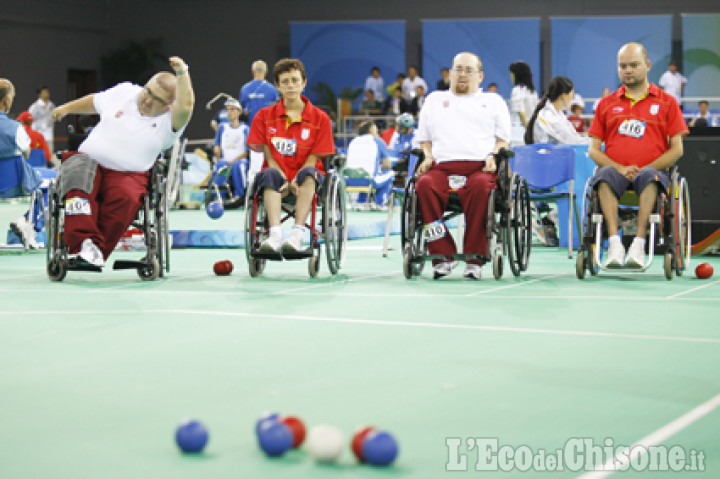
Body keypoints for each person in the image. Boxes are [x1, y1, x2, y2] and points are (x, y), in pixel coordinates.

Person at [50, 56, 195, 268]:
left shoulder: (170, 122)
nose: (147, 100)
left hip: (129, 174)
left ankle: (94, 252)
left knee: (126, 197)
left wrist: (182, 72)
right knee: (76, 180)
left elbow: (187, 104)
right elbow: (96, 101)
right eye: (148, 91)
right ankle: (83, 244)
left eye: (157, 100)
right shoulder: (125, 91)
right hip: (88, 161)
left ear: (169, 106)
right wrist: (66, 109)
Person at [588, 42, 688, 268]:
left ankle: (639, 244)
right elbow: (594, 149)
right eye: (623, 66)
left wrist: (645, 168)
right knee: (603, 176)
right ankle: (614, 244)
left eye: (634, 65)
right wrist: (620, 168)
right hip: (617, 172)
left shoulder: (667, 102)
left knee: (651, 177)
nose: (628, 70)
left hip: (651, 173)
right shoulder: (606, 104)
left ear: (648, 65)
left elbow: (677, 149)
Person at [415, 51, 511, 280]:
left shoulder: (493, 102)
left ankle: (474, 258)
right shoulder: (434, 100)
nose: (463, 75)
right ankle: (441, 255)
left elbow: (502, 141)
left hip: (480, 168)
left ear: (480, 76)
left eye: (469, 70)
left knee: (481, 188)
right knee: (423, 186)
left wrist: (493, 156)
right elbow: (425, 140)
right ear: (450, 73)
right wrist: (427, 156)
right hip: (441, 167)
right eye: (458, 69)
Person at [246, 58, 335, 254]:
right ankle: (275, 235)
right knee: (269, 174)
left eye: (295, 80)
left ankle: (297, 234)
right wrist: (284, 179)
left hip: (306, 177)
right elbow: (268, 156)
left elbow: (314, 158)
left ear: (304, 83)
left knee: (311, 174)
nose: (290, 85)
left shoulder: (320, 118)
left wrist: (295, 179)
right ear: (277, 86)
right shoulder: (263, 116)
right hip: (277, 175)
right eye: (285, 81)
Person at [1, 79, 42, 249]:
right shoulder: (15, 127)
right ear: (7, 101)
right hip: (13, 186)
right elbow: (26, 152)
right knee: (48, 185)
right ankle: (27, 222)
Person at [240, 60, 280, 180]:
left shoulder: (245, 89)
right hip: (271, 133)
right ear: (266, 72)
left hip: (252, 134)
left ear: (252, 71)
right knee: (272, 164)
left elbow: (243, 111)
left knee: (254, 167)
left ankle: (251, 192)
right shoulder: (273, 90)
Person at [525, 76, 591, 145]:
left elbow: (573, 135)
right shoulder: (548, 115)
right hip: (545, 154)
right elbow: (570, 140)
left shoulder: (559, 114)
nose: (572, 98)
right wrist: (595, 142)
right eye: (572, 95)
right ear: (563, 95)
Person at [345, 120, 395, 208]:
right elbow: (388, 165)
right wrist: (379, 168)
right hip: (370, 181)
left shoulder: (352, 142)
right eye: (376, 129)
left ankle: (360, 201)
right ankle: (380, 203)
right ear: (371, 130)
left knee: (364, 172)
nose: (378, 132)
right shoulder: (378, 141)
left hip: (349, 180)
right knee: (390, 173)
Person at [212, 98, 249, 201]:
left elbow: (248, 151)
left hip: (240, 160)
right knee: (220, 166)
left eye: (233, 109)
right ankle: (219, 196)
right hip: (225, 160)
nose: (229, 112)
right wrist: (217, 151)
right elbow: (217, 144)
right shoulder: (222, 128)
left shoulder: (245, 129)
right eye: (227, 110)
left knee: (238, 166)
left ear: (239, 112)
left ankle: (239, 196)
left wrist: (233, 161)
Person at [508, 61, 538, 146]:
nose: (511, 76)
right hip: (530, 132)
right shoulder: (533, 92)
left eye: (512, 73)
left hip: (518, 134)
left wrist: (528, 131)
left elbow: (521, 112)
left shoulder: (517, 90)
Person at [28, 86, 55, 154]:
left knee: (49, 154)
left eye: (47, 92)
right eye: (44, 92)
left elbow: (54, 118)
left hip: (49, 135)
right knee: (39, 155)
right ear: (39, 95)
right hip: (38, 135)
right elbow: (30, 120)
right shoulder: (34, 107)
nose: (46, 94)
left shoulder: (52, 105)